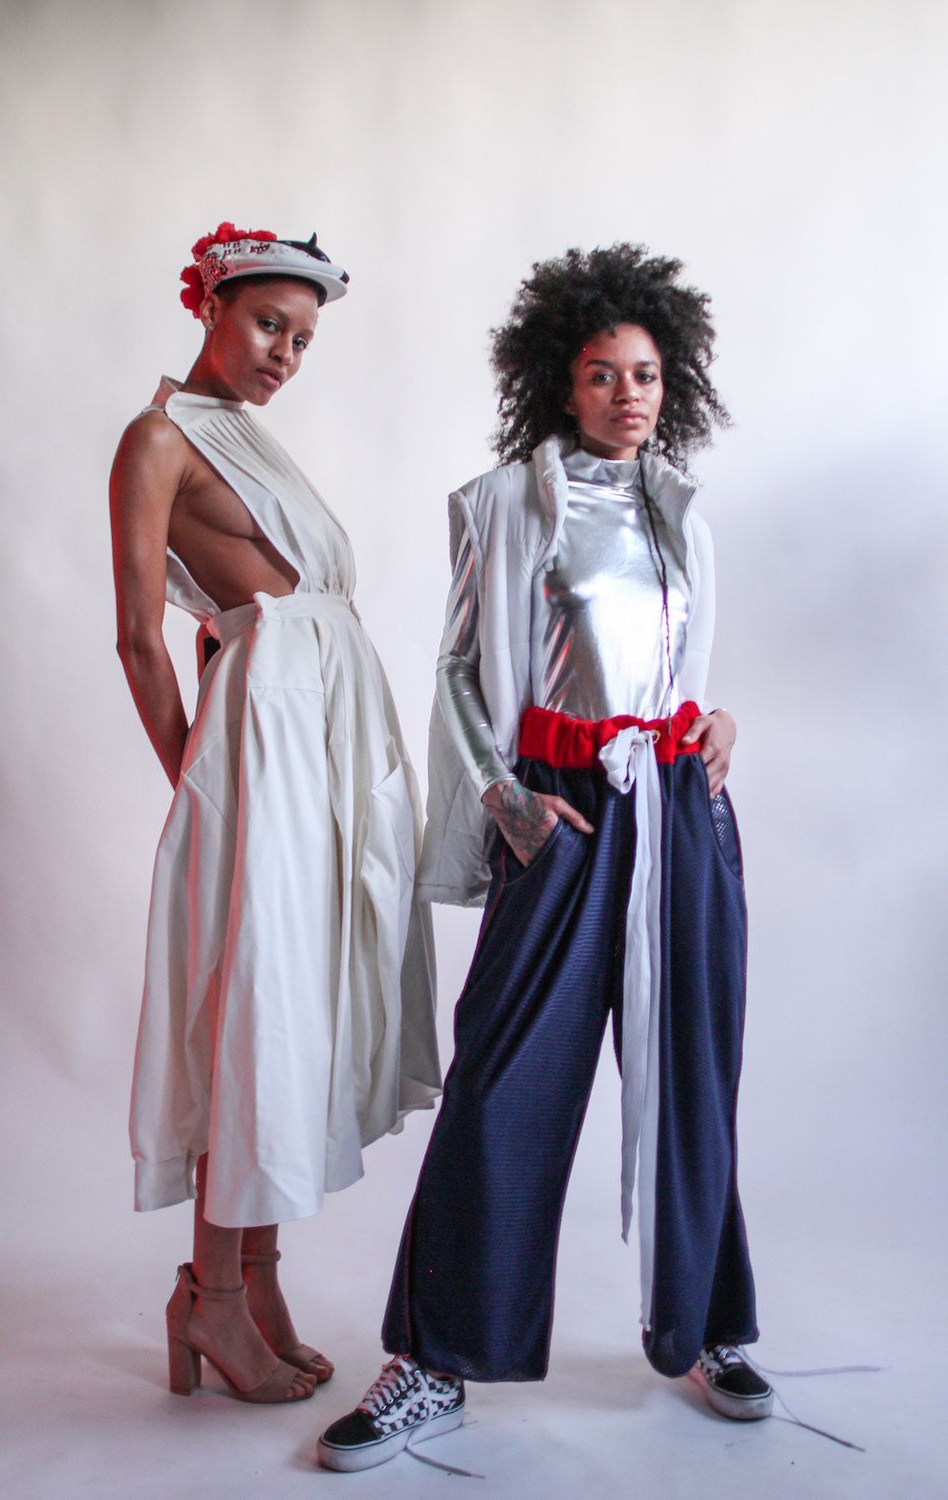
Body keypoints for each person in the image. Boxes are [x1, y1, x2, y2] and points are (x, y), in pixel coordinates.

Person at [317, 243, 772, 1470]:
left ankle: (707, 1327)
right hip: (564, 815)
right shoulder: (506, 506)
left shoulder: (681, 513)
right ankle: (435, 1361)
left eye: (645, 374)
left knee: (692, 1075)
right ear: (558, 382)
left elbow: (675, 675)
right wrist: (502, 795)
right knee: (504, 1081)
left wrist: (718, 723)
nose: (628, 394)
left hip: (678, 810)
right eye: (601, 373)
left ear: (672, 385)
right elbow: (461, 670)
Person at [110, 222, 440, 1407]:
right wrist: (197, 786)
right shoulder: (159, 438)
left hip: (320, 732)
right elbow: (140, 636)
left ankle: (252, 1282)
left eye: (301, 339)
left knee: (299, 1001)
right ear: (207, 303)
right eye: (266, 323)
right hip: (265, 750)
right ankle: (209, 1297)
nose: (284, 353)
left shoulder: (247, 439)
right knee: (259, 1000)